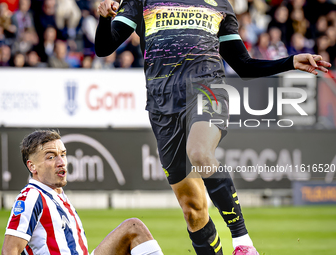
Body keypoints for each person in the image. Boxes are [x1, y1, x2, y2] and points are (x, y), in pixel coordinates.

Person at [94, 1, 331, 255]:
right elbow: (103, 48)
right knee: (193, 210)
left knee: (199, 152)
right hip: (162, 107)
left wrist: (290, 62)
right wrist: (105, 18)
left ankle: (243, 242)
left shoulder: (219, 5)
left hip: (207, 89)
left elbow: (244, 65)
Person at [2, 130, 163, 255]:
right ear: (32, 167)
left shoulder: (58, 196)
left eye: (63, 155)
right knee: (132, 227)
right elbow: (10, 250)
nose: (61, 162)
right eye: (51, 157)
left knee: (134, 228)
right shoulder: (31, 196)